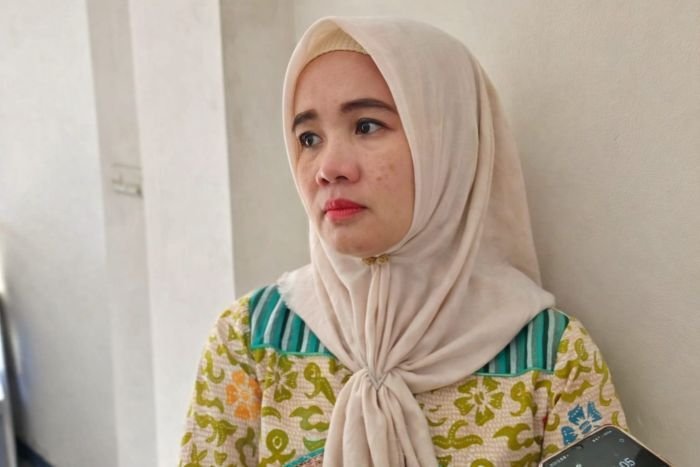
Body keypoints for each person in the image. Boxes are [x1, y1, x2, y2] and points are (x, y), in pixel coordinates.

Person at [178, 16, 627, 467]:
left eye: (366, 126)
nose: (328, 168)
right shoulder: (250, 340)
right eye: (308, 138)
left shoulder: (554, 360)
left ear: (447, 144)